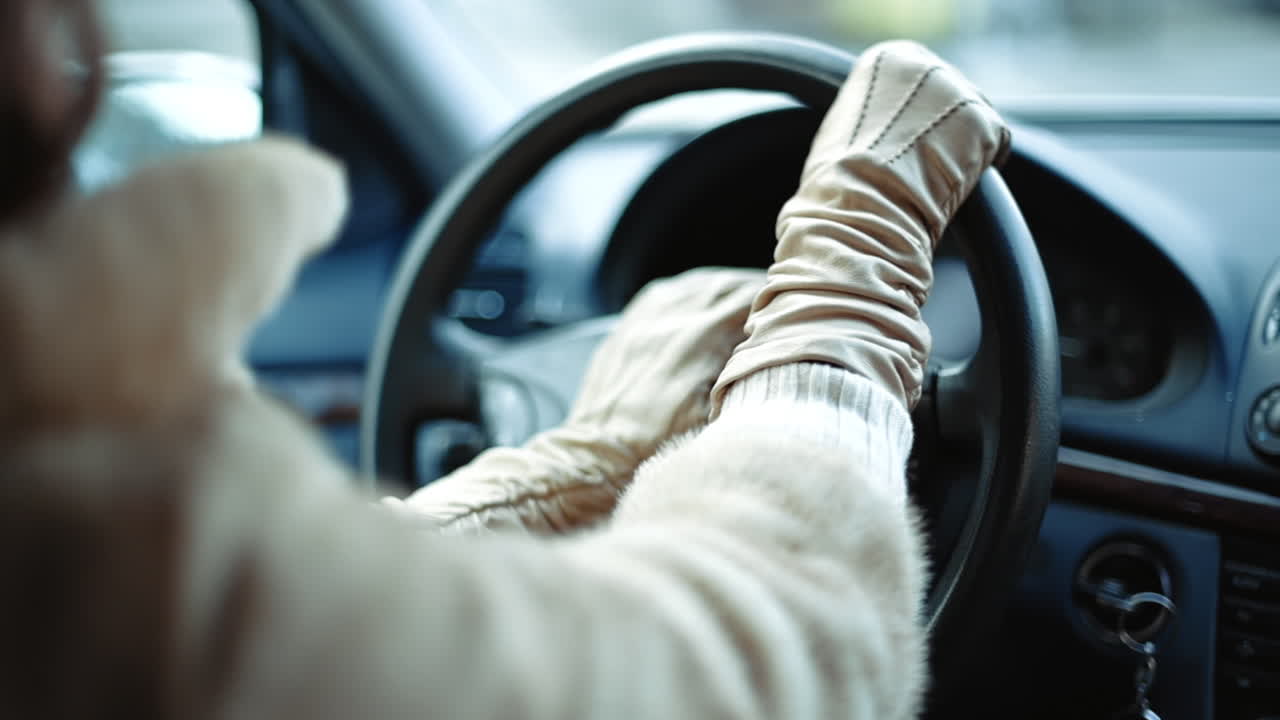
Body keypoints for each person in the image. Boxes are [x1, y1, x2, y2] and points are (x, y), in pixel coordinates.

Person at [0, 0, 1009, 717]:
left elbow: (343, 631)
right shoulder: (97, 529)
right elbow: (778, 656)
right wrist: (848, 277)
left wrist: (591, 455)